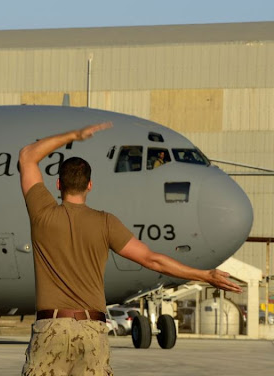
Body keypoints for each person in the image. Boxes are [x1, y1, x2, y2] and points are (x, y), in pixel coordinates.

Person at [19, 123, 242, 376]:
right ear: (89, 185)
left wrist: (73, 135)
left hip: (51, 329)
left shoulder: (43, 214)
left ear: (58, 184)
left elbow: (28, 155)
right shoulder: (106, 223)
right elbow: (152, 259)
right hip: (92, 330)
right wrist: (204, 275)